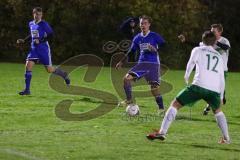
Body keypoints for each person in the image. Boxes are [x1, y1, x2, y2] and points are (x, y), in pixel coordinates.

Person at [147, 31, 230, 144]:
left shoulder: (197, 50)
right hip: (214, 90)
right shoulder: (219, 56)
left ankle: (162, 132)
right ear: (215, 42)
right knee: (218, 111)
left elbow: (190, 64)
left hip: (198, 86)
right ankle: (226, 138)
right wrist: (220, 96)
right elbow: (221, 78)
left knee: (175, 104)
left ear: (202, 40)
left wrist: (186, 77)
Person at [116, 15, 166, 112]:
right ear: (139, 25)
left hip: (153, 65)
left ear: (149, 25)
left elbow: (165, 45)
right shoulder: (137, 38)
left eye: (145, 23)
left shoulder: (154, 36)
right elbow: (131, 51)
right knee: (126, 79)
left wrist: (156, 49)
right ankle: (129, 100)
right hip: (141, 64)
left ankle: (161, 109)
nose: (143, 25)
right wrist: (121, 61)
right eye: (141, 23)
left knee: (154, 89)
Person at [178, 24, 230, 115]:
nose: (211, 32)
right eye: (211, 30)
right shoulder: (208, 42)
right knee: (211, 89)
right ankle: (213, 108)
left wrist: (215, 42)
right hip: (210, 71)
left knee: (219, 91)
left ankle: (212, 108)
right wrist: (185, 41)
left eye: (214, 31)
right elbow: (197, 44)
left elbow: (226, 47)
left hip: (222, 70)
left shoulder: (224, 41)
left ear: (220, 32)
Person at [17, 7, 70, 95]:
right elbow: (32, 34)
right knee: (28, 66)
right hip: (34, 49)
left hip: (43, 49)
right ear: (33, 14)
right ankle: (27, 90)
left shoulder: (44, 24)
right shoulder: (31, 23)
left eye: (39, 14)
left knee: (49, 70)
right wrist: (24, 40)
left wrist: (41, 41)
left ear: (41, 15)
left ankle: (64, 75)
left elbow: (51, 35)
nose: (37, 16)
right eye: (36, 14)